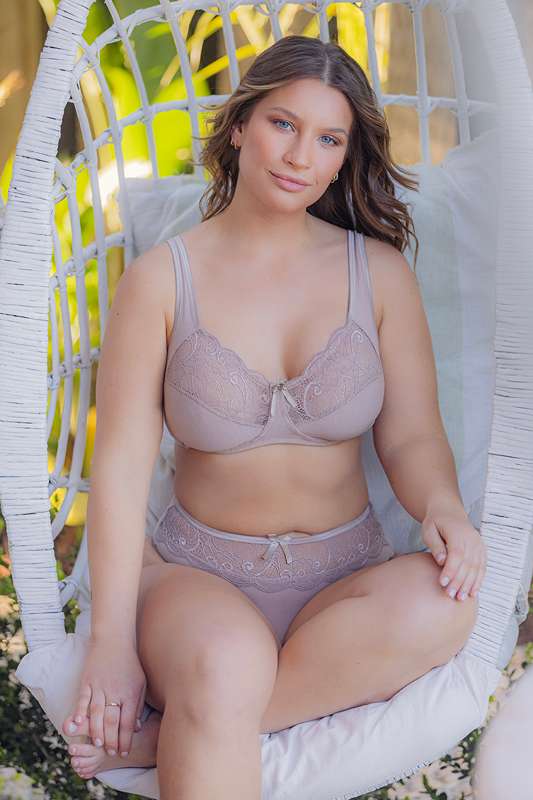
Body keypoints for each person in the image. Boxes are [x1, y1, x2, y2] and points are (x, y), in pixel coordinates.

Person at [61, 34, 486, 797]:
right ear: (239, 126)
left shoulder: (378, 272)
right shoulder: (161, 281)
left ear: (344, 156)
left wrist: (443, 506)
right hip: (198, 580)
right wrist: (110, 644)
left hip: (343, 582)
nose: (298, 156)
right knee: (227, 661)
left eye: (327, 139)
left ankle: (188, 729)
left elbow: (411, 437)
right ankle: (217, 701)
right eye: (282, 124)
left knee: (445, 605)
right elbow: (120, 473)